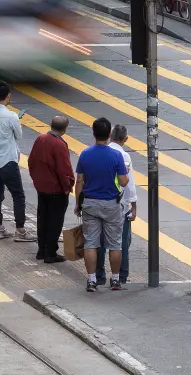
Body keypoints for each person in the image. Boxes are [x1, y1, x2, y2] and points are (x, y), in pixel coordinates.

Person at [75, 117, 130, 292]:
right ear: (109, 135)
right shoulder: (116, 155)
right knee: (114, 244)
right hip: (111, 204)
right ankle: (115, 280)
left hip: (90, 203)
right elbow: (123, 182)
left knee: (90, 243)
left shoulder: (85, 154)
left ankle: (91, 280)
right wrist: (126, 173)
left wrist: (78, 203)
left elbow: (79, 181)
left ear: (93, 133)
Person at [0, 82, 30, 242]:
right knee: (18, 195)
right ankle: (20, 230)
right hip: (8, 161)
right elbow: (19, 135)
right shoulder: (11, 116)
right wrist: (16, 120)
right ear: (8, 96)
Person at [29, 115, 75, 264]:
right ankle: (51, 252)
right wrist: (67, 186)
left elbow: (31, 160)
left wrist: (35, 178)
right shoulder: (60, 144)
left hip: (41, 187)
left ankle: (41, 250)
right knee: (55, 221)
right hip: (56, 189)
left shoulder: (40, 139)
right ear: (65, 129)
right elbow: (64, 169)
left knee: (43, 218)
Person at [95, 125, 137, 286]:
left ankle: (98, 276)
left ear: (110, 136)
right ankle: (120, 276)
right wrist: (133, 207)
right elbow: (129, 184)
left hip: (97, 202)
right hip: (119, 206)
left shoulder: (98, 151)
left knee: (97, 242)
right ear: (125, 139)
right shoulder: (123, 155)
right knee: (121, 243)